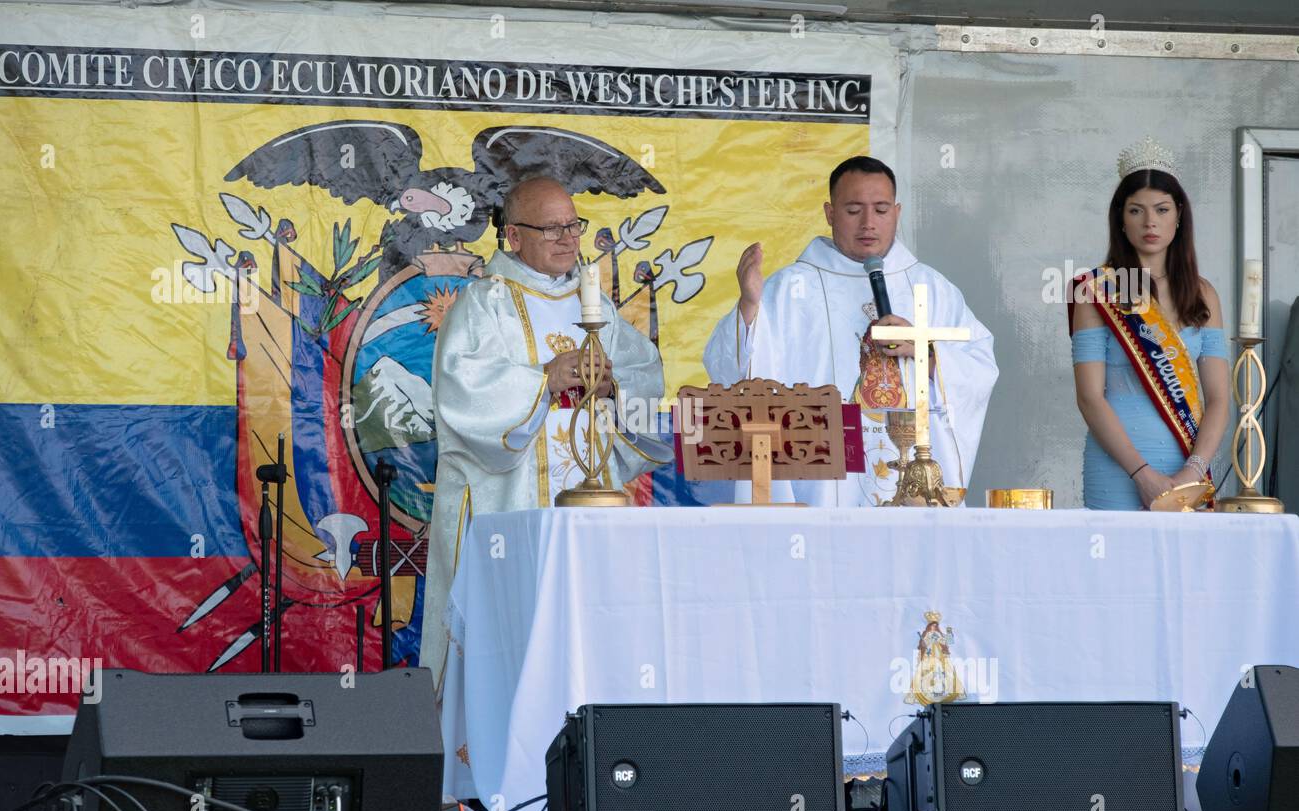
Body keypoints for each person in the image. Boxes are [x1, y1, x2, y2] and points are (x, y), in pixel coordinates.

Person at [418, 176, 666, 687]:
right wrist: (545, 380)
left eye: (573, 225)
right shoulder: (484, 304)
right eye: (551, 228)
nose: (568, 238)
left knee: (585, 645)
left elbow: (645, 376)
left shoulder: (596, 306)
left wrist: (614, 389)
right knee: (509, 647)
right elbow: (462, 394)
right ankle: (495, 762)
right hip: (504, 507)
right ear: (513, 237)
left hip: (586, 510)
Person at [702, 155, 998, 505]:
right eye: (854, 210)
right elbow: (731, 374)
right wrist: (750, 306)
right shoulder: (790, 289)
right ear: (830, 213)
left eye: (882, 210)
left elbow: (980, 366)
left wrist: (928, 353)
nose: (868, 223)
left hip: (914, 482)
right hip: (820, 488)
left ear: (898, 213)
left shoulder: (931, 288)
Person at [1068, 138, 1229, 510]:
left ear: (1179, 215)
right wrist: (1141, 474)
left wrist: (1193, 471)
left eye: (1161, 209)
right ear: (1120, 219)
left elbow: (1219, 399)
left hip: (1188, 465)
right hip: (1117, 468)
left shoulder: (1205, 295)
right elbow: (1089, 397)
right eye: (1136, 211)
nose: (1150, 222)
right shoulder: (1096, 292)